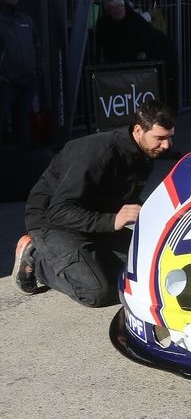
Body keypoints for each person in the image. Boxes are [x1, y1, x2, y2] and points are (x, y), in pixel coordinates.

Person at [11, 100, 176, 307]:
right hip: (52, 222)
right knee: (97, 292)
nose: (166, 145)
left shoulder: (144, 154)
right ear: (138, 130)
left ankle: (89, 261)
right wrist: (112, 221)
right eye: (159, 138)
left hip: (95, 219)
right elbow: (59, 211)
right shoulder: (97, 153)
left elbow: (126, 199)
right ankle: (35, 258)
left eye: (169, 137)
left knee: (149, 275)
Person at [95, 0, 178, 107]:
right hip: (139, 61)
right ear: (107, 11)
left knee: (163, 88)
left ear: (124, 6)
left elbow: (138, 42)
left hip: (161, 54)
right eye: (112, 8)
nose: (117, 10)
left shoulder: (134, 20)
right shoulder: (104, 24)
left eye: (119, 6)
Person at [0, 0, 42, 150]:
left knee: (22, 119)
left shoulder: (25, 19)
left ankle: (23, 157)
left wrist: (38, 70)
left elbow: (36, 45)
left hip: (27, 80)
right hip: (6, 81)